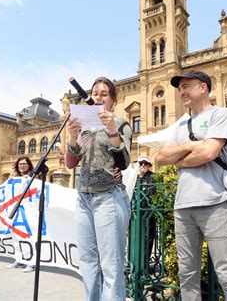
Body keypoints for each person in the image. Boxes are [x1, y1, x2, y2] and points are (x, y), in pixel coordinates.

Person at [156, 71, 227, 300]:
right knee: (187, 275)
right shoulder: (181, 124)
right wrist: (192, 147)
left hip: (215, 203)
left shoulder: (220, 114)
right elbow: (161, 157)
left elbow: (209, 152)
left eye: (186, 86)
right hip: (183, 206)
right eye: (180, 88)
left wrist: (181, 155)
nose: (182, 92)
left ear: (203, 88)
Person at [65, 76, 132, 301]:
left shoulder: (121, 123)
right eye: (95, 93)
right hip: (84, 198)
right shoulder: (86, 129)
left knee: (111, 265)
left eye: (104, 94)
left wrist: (112, 129)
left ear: (113, 100)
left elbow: (123, 162)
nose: (98, 97)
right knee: (88, 262)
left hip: (109, 198)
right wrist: (73, 137)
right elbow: (71, 163)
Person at [6, 156, 36, 273]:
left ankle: (32, 262)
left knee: (30, 236)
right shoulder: (14, 178)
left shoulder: (33, 177)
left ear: (29, 165)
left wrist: (29, 179)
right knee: (17, 235)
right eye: (20, 164)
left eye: (24, 164)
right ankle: (19, 259)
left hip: (29, 211)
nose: (21, 166)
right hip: (17, 211)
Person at [137, 155, 157, 271]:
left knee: (148, 239)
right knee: (138, 239)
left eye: (145, 163)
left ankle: (144, 265)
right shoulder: (136, 178)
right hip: (137, 216)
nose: (143, 165)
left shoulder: (153, 178)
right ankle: (137, 265)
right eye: (141, 164)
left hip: (149, 215)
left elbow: (154, 194)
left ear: (149, 165)